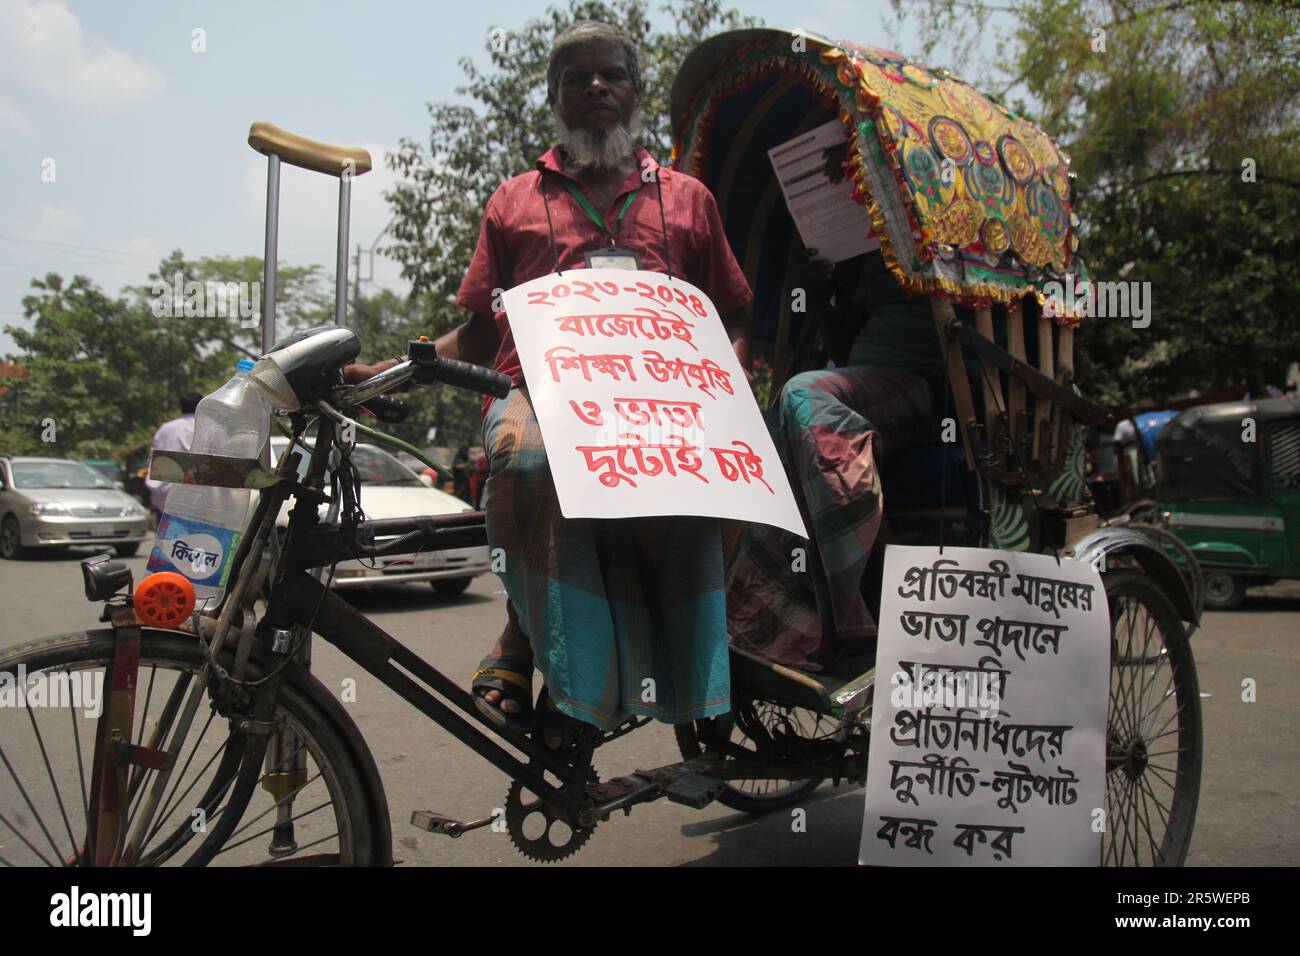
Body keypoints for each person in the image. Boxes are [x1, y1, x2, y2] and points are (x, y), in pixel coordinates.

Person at [443, 20, 754, 742]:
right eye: (575, 78)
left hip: (667, 399)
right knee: (523, 460)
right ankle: (545, 656)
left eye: (610, 74)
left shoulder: (689, 199)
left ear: (635, 91)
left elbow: (735, 314)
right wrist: (399, 366)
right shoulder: (512, 200)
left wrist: (729, 383)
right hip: (538, 393)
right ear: (553, 97)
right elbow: (485, 331)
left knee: (727, 480)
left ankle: (701, 687)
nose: (594, 87)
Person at [726, 140, 975, 674]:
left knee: (802, 393)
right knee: (776, 419)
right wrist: (817, 290)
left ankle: (859, 611)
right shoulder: (867, 247)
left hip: (926, 385)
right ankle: (767, 619)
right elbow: (843, 338)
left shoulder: (950, 222)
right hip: (861, 378)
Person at [145, 392, 201, 520]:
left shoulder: (165, 428)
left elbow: (153, 458)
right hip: (194, 497)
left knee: (165, 536)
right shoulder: (205, 427)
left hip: (164, 494)